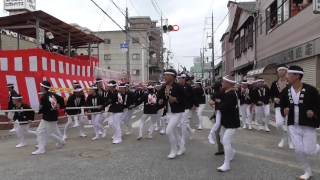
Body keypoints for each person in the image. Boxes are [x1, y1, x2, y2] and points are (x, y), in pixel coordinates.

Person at [280, 65, 320, 180]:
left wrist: (313, 112)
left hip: (307, 125)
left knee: (309, 150)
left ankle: (316, 148)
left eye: (289, 74)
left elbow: (318, 105)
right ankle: (307, 172)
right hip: (293, 124)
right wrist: (284, 110)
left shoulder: (311, 90)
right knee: (298, 150)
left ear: (297, 76)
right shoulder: (286, 91)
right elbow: (282, 104)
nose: (287, 77)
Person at [32, 81, 66, 155]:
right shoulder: (53, 94)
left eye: (41, 86)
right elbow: (61, 99)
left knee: (47, 133)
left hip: (48, 118)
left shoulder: (43, 97)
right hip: (53, 116)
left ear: (44, 88)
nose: (40, 88)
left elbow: (42, 109)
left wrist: (38, 112)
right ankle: (42, 146)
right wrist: (60, 106)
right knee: (41, 131)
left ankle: (61, 142)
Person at [158, 69, 186, 159]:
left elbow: (185, 99)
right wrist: (160, 101)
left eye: (167, 75)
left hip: (177, 112)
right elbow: (160, 97)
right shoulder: (164, 87)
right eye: (164, 75)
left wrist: (175, 99)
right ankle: (182, 147)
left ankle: (173, 150)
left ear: (172, 77)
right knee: (175, 131)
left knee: (169, 131)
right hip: (168, 112)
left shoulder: (179, 87)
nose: (165, 77)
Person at [217, 76, 240, 172]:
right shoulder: (225, 92)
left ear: (229, 84)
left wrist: (217, 104)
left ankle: (227, 164)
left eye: (224, 82)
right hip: (226, 121)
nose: (222, 83)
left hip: (232, 122)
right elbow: (218, 99)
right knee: (222, 139)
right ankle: (232, 152)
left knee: (226, 140)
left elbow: (224, 107)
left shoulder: (231, 94)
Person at [270, 66, 294, 149]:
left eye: (282, 70)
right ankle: (283, 138)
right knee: (279, 124)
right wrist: (274, 98)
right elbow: (271, 94)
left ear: (286, 71)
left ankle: (291, 141)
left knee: (290, 125)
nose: (280, 71)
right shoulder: (274, 83)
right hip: (278, 106)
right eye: (279, 70)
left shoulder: (291, 82)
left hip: (290, 106)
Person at [178, 74, 196, 155]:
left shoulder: (188, 87)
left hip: (186, 107)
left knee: (183, 124)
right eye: (180, 78)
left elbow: (193, 96)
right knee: (182, 123)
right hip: (179, 108)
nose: (181, 79)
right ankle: (191, 131)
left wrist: (194, 105)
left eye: (182, 78)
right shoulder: (177, 86)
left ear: (185, 79)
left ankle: (183, 143)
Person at [208, 82, 225, 156]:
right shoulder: (219, 93)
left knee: (221, 132)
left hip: (223, 114)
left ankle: (224, 149)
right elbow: (211, 102)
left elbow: (210, 102)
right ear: (220, 87)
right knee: (220, 132)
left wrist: (215, 106)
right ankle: (221, 149)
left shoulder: (219, 93)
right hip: (220, 113)